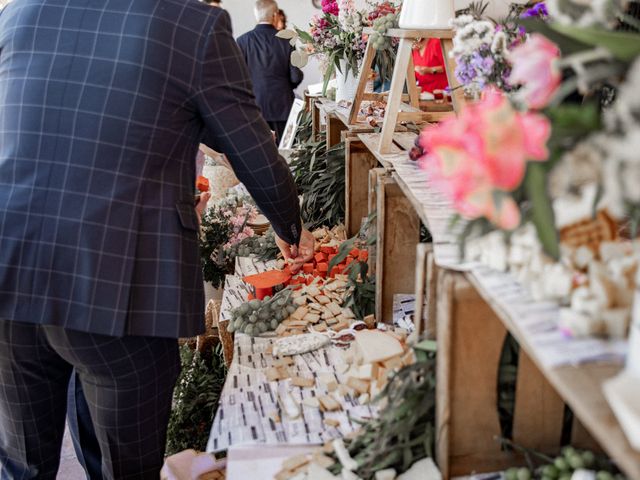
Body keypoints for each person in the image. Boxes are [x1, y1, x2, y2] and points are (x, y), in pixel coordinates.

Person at [0, 1, 314, 479]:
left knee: (22, 466)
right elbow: (253, 150)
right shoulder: (193, 26)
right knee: (126, 467)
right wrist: (290, 227)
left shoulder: (21, 11)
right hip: (119, 276)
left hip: (9, 265)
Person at [237, 0, 303, 144]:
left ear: (256, 15)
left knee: (257, 153)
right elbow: (295, 76)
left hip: (254, 108)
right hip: (282, 106)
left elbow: (237, 79)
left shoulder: (242, 41)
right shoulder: (287, 40)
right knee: (283, 153)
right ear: (275, 15)